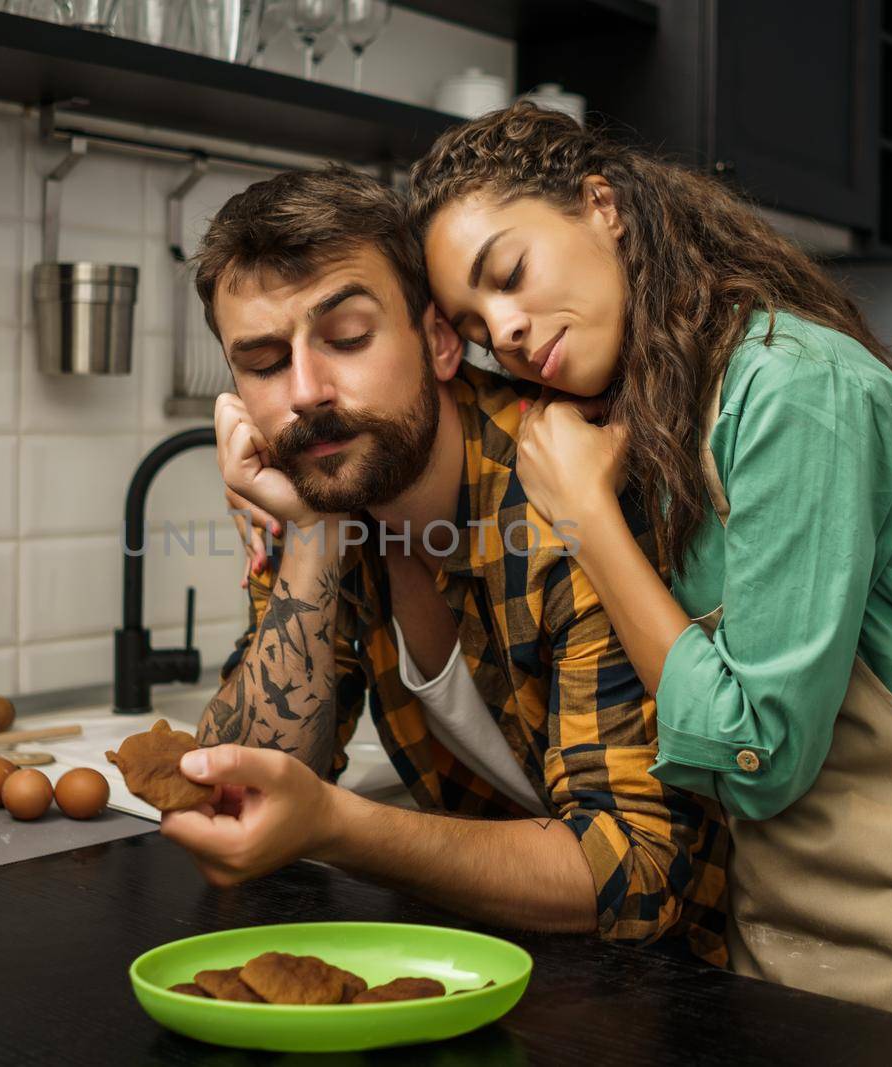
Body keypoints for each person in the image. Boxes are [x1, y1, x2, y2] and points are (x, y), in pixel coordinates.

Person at [405, 102, 892, 1062]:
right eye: (478, 326)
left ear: (602, 205)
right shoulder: (651, 405)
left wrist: (588, 520)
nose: (510, 331)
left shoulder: (789, 391)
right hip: (773, 943)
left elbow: (760, 754)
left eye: (510, 275)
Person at [159, 166, 730, 963]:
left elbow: (638, 869)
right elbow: (245, 786)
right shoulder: (325, 485)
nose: (307, 391)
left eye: (349, 338)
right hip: (506, 960)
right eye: (261, 362)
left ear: (437, 340)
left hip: (703, 989)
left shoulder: (563, 491)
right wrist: (313, 534)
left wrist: (338, 826)